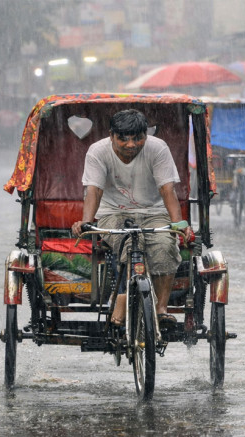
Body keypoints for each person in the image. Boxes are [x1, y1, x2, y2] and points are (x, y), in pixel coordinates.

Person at [71, 109, 190, 327]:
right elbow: (94, 190)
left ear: (146, 135)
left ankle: (161, 309)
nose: (131, 144)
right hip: (112, 213)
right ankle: (125, 299)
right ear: (111, 135)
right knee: (132, 245)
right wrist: (86, 221)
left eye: (138, 138)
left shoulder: (157, 148)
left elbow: (167, 189)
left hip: (153, 212)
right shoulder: (97, 152)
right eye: (123, 139)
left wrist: (179, 224)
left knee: (164, 246)